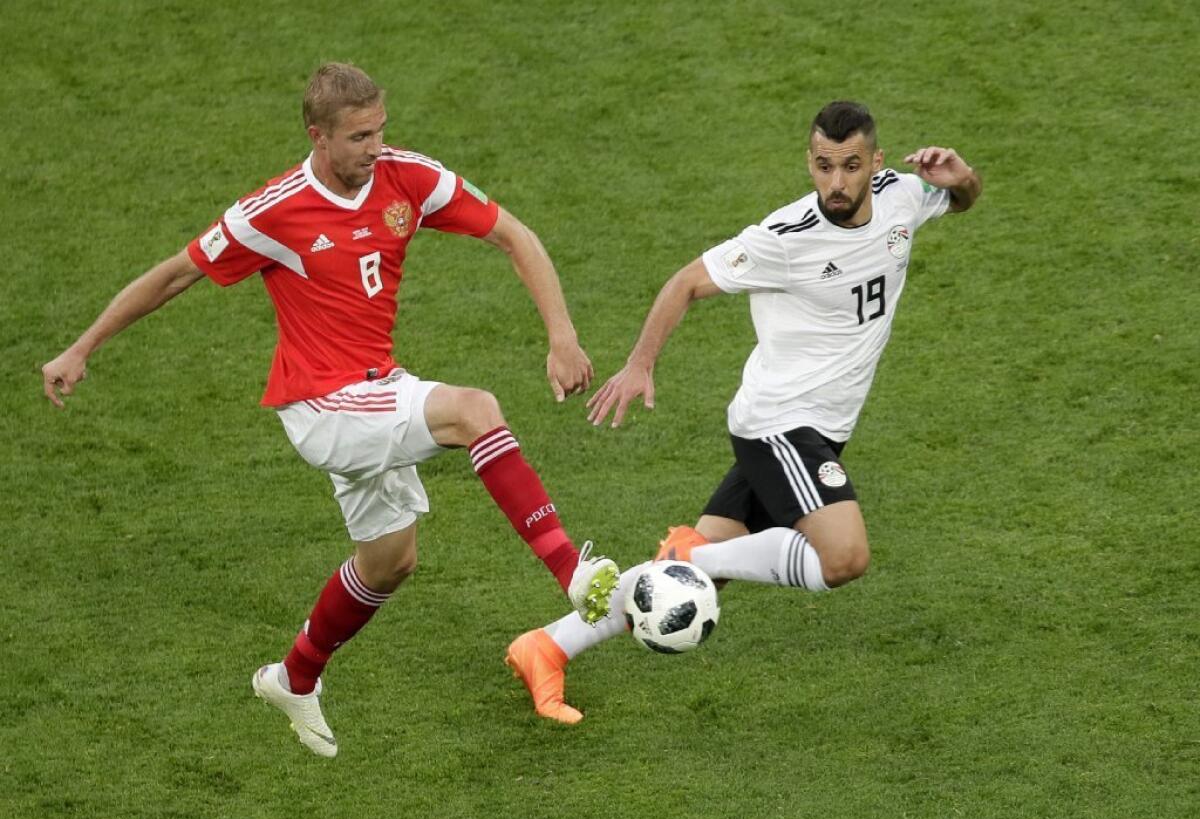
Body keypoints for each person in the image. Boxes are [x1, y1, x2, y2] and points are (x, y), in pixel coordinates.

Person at [41, 62, 621, 757]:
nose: (375, 148)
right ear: (318, 137)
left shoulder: (408, 177)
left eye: (380, 130)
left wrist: (563, 337)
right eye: (357, 137)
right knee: (474, 410)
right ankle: (571, 571)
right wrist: (82, 348)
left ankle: (294, 676)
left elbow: (514, 236)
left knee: (389, 562)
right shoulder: (273, 211)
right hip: (320, 404)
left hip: (373, 391)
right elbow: (176, 274)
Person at [505, 100, 982, 723]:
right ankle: (690, 555)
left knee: (705, 575)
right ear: (808, 164)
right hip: (781, 425)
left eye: (850, 166)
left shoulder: (900, 197)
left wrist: (963, 178)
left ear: (876, 164)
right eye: (822, 166)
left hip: (821, 429)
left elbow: (959, 198)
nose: (836, 182)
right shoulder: (784, 239)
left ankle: (546, 646)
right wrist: (641, 363)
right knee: (842, 558)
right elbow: (685, 283)